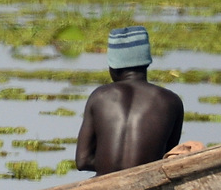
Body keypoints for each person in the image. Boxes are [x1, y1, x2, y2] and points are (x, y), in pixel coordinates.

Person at [75, 26, 201, 175]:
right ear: (146, 63)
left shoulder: (99, 96)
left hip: (102, 185)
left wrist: (110, 165)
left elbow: (82, 161)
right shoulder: (171, 101)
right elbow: (166, 159)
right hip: (146, 185)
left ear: (113, 67)